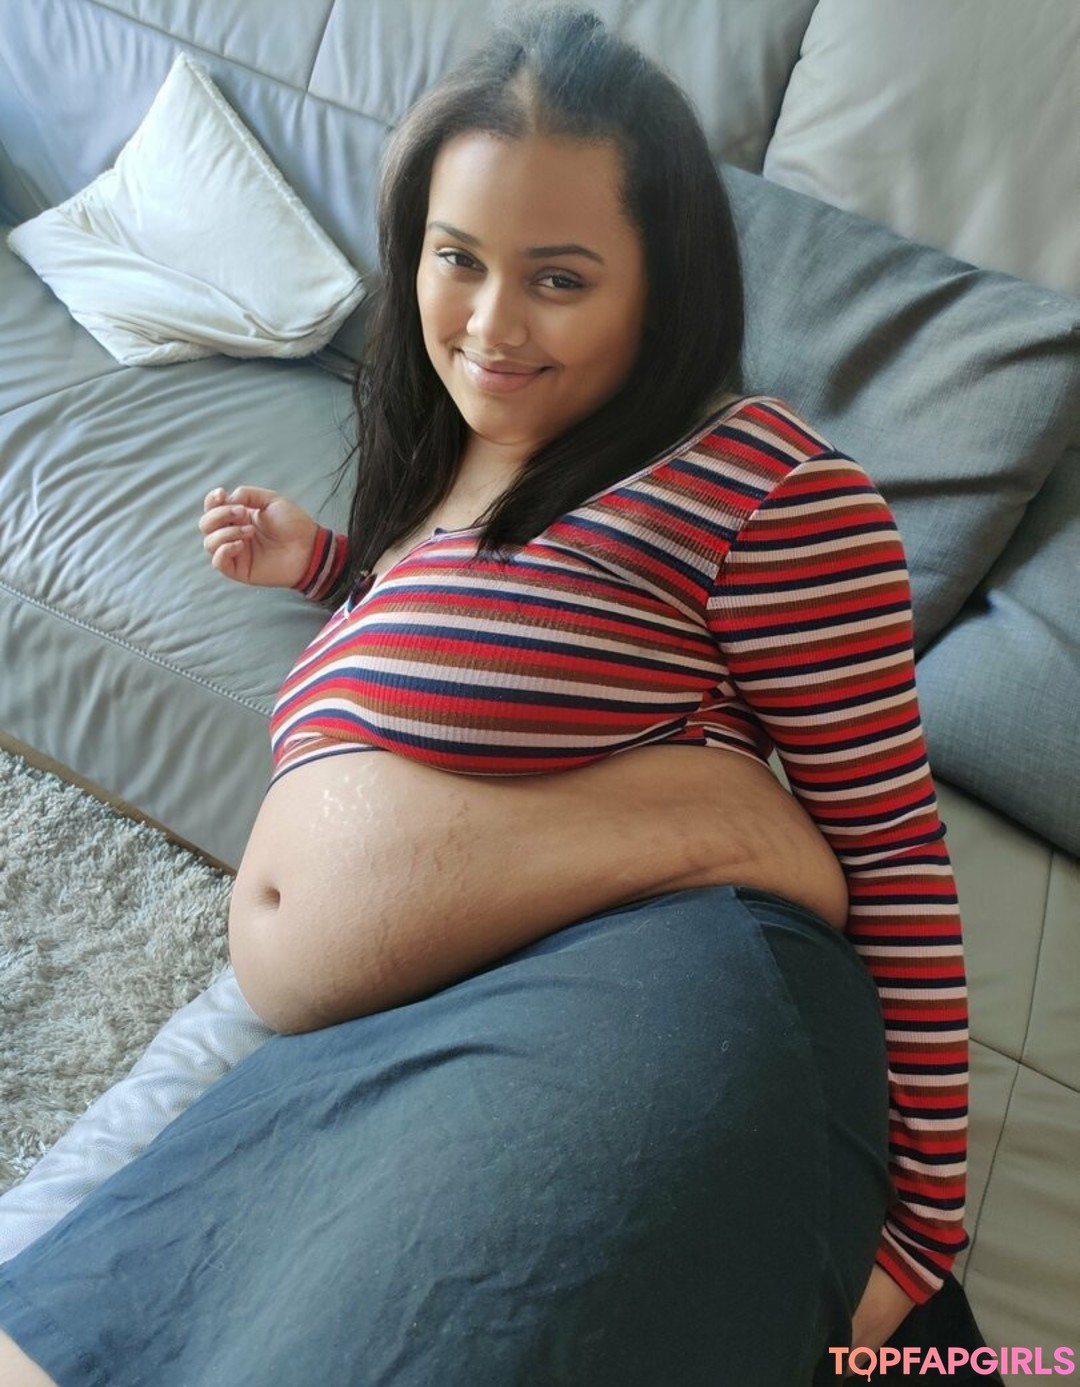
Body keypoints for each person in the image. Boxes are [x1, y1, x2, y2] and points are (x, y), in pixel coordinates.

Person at [0, 6, 969, 1383]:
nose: (492, 324)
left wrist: (923, 1226)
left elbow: (894, 846)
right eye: (458, 259)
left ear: (663, 285)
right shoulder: (452, 467)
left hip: (624, 995)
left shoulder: (767, 484)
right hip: (368, 1046)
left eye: (559, 279)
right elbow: (478, 655)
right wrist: (330, 568)